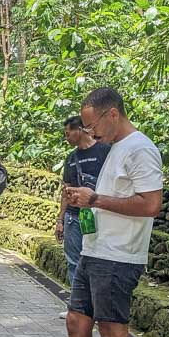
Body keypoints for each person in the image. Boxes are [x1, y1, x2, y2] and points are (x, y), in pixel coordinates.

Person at [22, 87, 162, 337]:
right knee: (76, 322)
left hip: (119, 255)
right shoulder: (114, 148)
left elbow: (150, 205)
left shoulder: (141, 148)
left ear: (112, 114)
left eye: (92, 125)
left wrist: (96, 198)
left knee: (113, 330)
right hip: (95, 248)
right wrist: (84, 200)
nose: (90, 134)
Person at [56, 115, 111, 287]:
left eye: (68, 134)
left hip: (99, 214)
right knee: (74, 262)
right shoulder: (71, 159)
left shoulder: (105, 151)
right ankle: (77, 306)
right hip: (74, 216)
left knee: (96, 262)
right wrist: (60, 219)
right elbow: (66, 191)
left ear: (79, 130)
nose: (66, 138)